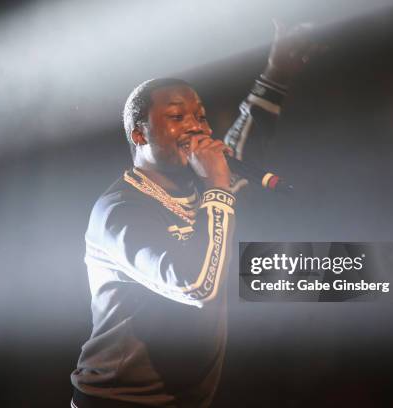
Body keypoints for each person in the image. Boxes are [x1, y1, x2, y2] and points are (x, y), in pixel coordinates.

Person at [71, 22, 321, 408]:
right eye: (176, 117)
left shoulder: (198, 188)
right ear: (140, 135)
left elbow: (240, 146)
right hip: (119, 401)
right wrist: (218, 188)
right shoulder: (118, 211)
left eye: (201, 117)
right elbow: (197, 287)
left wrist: (276, 75)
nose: (195, 128)